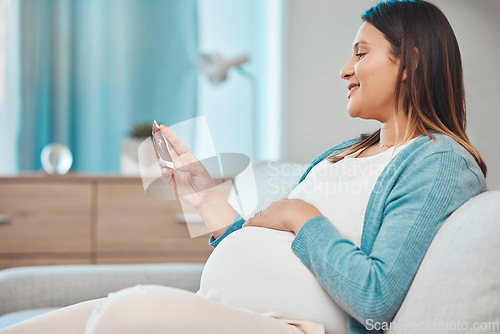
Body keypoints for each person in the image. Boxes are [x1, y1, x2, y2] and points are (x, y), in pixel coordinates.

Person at [0, 0, 487, 333]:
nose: (344, 69)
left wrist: (301, 216)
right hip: (235, 311)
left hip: (297, 329)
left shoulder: (439, 161)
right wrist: (204, 197)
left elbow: (377, 301)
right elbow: (269, 247)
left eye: (360, 54)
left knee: (126, 314)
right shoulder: (347, 151)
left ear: (412, 63)